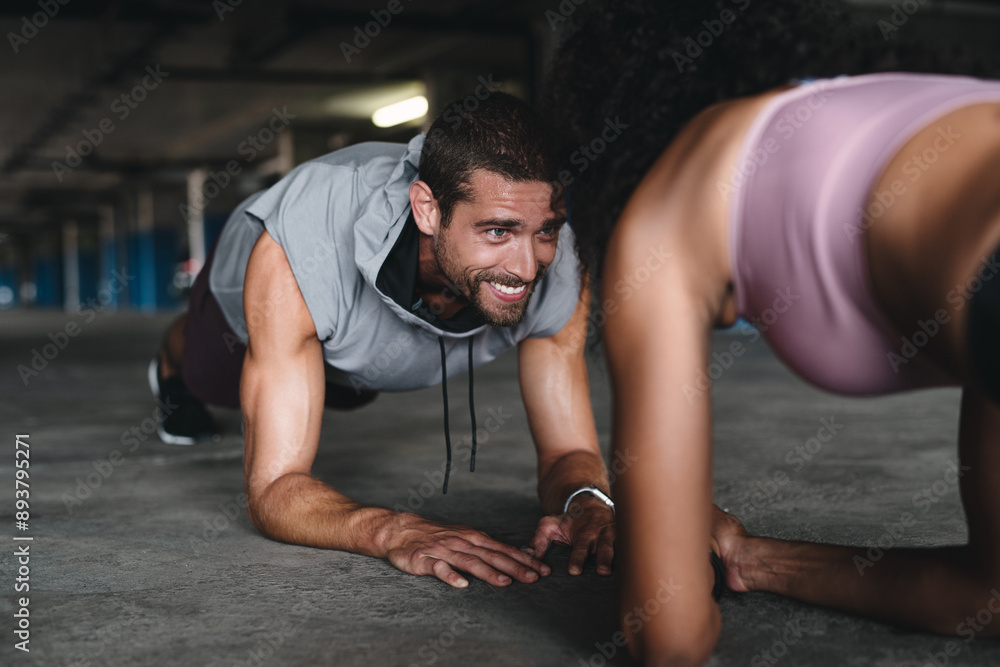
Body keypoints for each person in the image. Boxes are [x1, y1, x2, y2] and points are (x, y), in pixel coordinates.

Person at [548, 0, 1000, 664]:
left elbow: (668, 637)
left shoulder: (668, 206)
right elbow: (984, 596)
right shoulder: (929, 121)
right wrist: (752, 558)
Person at [148, 92, 616, 587]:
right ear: (427, 210)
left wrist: (586, 503)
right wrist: (392, 529)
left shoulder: (560, 259)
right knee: (207, 371)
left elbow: (568, 452)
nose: (526, 269)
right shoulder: (300, 252)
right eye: (498, 231)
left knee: (349, 392)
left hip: (362, 351)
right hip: (245, 301)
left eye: (544, 231)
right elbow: (274, 489)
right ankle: (167, 364)